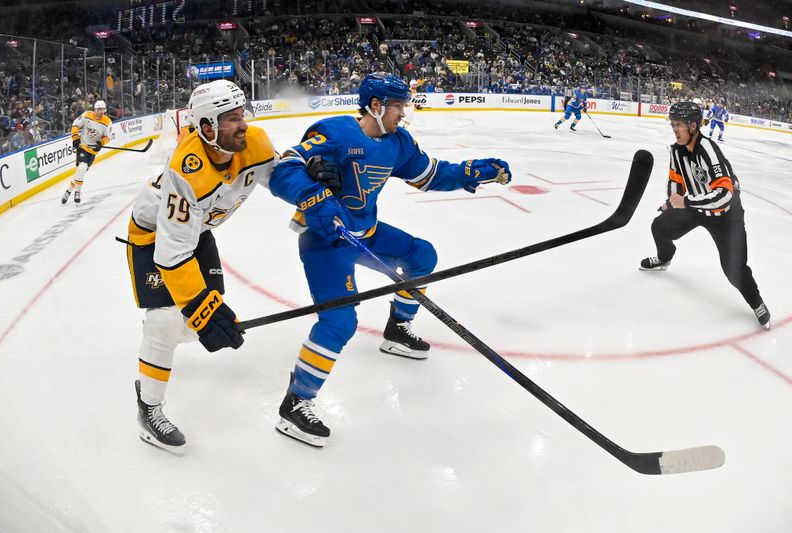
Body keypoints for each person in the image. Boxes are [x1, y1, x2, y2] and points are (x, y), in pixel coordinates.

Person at [268, 72, 512, 447]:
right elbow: (284, 170)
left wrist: (470, 172)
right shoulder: (333, 132)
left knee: (421, 255)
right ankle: (296, 403)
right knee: (339, 321)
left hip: (366, 234)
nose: (404, 114)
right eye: (398, 106)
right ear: (376, 106)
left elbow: (430, 176)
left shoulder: (398, 143)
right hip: (326, 242)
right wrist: (312, 194)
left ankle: (398, 328)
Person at [125, 80, 277, 454]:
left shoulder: (254, 141)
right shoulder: (185, 171)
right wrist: (196, 308)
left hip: (198, 231)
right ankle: (149, 407)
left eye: (242, 114)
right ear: (206, 127)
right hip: (154, 237)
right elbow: (172, 251)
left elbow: (280, 179)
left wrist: (310, 182)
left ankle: (159, 339)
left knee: (196, 321)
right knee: (168, 320)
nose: (243, 124)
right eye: (231, 119)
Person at [639, 101, 770, 330]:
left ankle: (757, 303)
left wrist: (686, 201)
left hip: (725, 215)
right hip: (696, 207)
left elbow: (724, 195)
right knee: (659, 227)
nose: (674, 129)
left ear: (693, 126)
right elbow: (675, 180)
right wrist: (672, 200)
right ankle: (665, 257)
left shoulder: (709, 150)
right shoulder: (676, 150)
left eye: (678, 124)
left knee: (734, 271)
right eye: (672, 124)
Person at [61, 100, 112, 205]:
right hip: (83, 147)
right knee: (82, 167)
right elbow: (75, 124)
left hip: (92, 151)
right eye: (100, 109)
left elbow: (107, 137)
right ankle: (77, 193)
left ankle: (68, 191)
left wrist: (100, 143)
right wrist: (75, 137)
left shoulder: (107, 122)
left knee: (81, 172)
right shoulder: (87, 115)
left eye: (103, 109)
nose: (102, 112)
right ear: (95, 109)